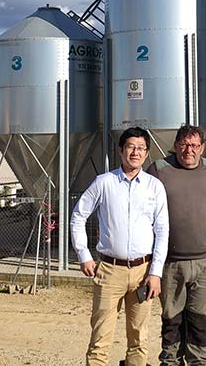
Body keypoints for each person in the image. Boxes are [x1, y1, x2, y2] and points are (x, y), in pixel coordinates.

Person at [70, 126, 170, 366]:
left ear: (147, 154)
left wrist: (155, 273)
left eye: (141, 148)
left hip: (143, 272)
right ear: (121, 150)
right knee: (100, 338)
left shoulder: (154, 186)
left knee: (138, 338)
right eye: (131, 147)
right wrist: (84, 255)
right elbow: (78, 216)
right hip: (109, 271)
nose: (135, 152)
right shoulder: (103, 182)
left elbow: (162, 230)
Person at [146, 125, 206, 366]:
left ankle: (199, 361)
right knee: (171, 320)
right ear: (176, 145)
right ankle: (170, 361)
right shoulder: (159, 170)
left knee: (201, 321)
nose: (189, 150)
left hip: (205, 262)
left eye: (195, 145)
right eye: (184, 144)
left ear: (202, 148)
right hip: (170, 264)